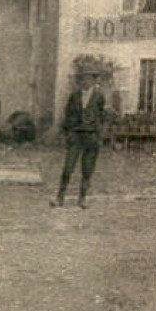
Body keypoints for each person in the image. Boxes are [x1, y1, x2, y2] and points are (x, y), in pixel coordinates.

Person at [55, 68, 106, 208]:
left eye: (89, 79)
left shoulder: (99, 97)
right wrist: (68, 133)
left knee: (87, 169)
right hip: (76, 135)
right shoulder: (74, 96)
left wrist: (99, 135)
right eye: (83, 79)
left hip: (91, 136)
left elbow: (101, 117)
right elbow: (68, 114)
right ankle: (60, 197)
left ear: (94, 81)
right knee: (68, 168)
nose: (86, 82)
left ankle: (82, 199)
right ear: (79, 81)